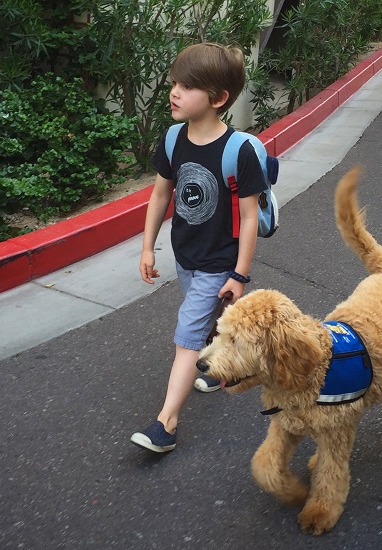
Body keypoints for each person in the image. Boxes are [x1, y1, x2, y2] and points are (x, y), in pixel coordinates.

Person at [130, 43, 266, 453]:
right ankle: (227, 368)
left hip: (219, 262)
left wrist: (240, 274)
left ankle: (165, 424)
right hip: (186, 256)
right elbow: (159, 197)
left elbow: (248, 218)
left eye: (186, 87)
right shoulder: (174, 139)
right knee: (213, 318)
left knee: (188, 336)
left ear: (218, 98)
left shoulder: (238, 151)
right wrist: (147, 247)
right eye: (175, 82)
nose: (174, 92)